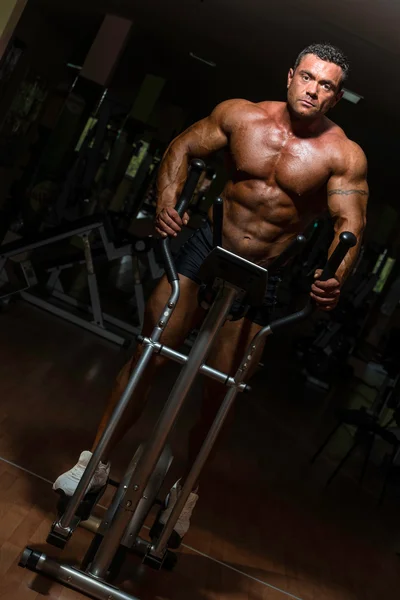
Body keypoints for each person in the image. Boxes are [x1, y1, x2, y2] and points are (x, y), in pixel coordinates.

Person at [54, 42, 368, 548]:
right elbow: (181, 146)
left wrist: (336, 274)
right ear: (290, 75)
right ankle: (93, 463)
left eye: (326, 85)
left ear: (337, 96)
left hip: (267, 266)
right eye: (307, 77)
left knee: (221, 391)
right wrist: (165, 200)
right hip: (207, 245)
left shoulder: (342, 155)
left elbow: (349, 225)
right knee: (148, 354)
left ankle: (184, 494)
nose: (313, 90)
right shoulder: (240, 117)